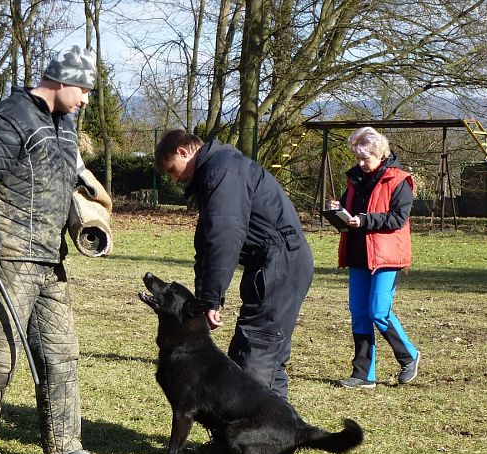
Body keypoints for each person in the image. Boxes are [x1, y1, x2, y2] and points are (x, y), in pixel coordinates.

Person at [0, 45, 110, 454]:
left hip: (50, 258)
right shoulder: (8, 118)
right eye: (83, 90)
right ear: (60, 82)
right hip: (13, 257)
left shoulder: (65, 124)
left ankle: (64, 445)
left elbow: (70, 171)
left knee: (62, 353)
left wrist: (91, 197)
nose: (86, 100)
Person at [154, 130, 314, 401]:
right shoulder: (216, 172)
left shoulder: (223, 171)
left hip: (280, 263)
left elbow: (224, 237)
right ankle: (274, 437)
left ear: (183, 151)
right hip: (271, 263)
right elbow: (205, 245)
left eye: (172, 170)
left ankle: (254, 435)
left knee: (256, 353)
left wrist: (212, 298)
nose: (175, 179)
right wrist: (205, 298)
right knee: (249, 351)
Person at [328, 126, 420, 389]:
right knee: (359, 313)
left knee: (378, 312)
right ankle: (363, 375)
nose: (360, 163)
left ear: (380, 153)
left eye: (365, 158)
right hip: (358, 254)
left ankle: (409, 356)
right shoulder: (354, 178)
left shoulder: (400, 180)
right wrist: (338, 211)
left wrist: (365, 220)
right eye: (357, 157)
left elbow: (398, 218)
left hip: (385, 257)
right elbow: (349, 210)